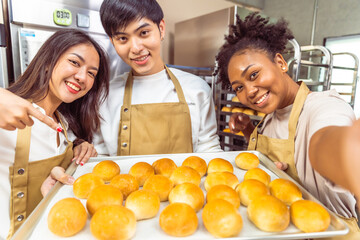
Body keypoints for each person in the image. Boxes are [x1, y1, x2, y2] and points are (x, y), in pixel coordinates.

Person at [214, 12, 359, 239]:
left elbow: (327, 141)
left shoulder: (323, 107)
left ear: (280, 62)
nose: (249, 91)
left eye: (254, 74)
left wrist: (342, 152)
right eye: (239, 87)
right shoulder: (269, 117)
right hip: (283, 227)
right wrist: (248, 130)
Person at [0, 28, 109, 239]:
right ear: (49, 61)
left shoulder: (66, 125)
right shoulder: (6, 116)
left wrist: (79, 146)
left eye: (91, 73)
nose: (81, 77)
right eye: (75, 63)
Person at [93, 0, 221, 156]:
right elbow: (100, 157)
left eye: (144, 33)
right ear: (112, 41)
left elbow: (209, 150)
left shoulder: (197, 89)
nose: (136, 48)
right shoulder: (105, 95)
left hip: (186, 180)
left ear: (161, 29)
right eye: (122, 39)